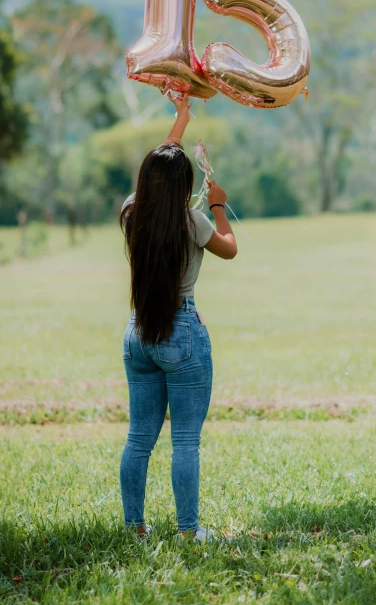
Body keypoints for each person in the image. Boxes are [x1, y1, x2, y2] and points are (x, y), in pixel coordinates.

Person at [119, 93, 237, 541]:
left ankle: (135, 529)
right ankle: (189, 531)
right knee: (185, 441)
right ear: (186, 184)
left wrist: (180, 122)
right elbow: (230, 248)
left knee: (138, 440)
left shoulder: (132, 213)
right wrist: (219, 205)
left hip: (138, 335)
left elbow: (157, 173)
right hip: (182, 332)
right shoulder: (194, 223)